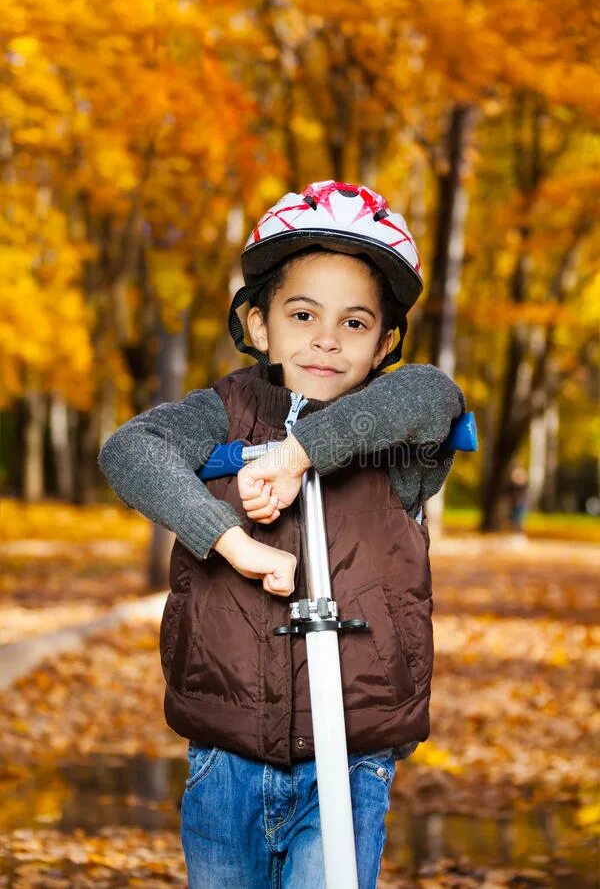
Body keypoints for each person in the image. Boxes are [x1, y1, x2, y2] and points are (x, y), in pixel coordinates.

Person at [98, 180, 466, 888]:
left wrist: (299, 454)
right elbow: (129, 450)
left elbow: (433, 393)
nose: (327, 338)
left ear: (385, 341)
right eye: (302, 314)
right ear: (259, 324)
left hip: (351, 759)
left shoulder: (402, 436)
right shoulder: (220, 414)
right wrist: (233, 541)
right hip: (225, 755)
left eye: (355, 324)